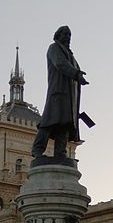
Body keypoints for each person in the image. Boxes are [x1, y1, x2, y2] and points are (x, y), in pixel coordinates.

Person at [32, 25, 89, 159]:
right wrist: (76, 74)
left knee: (65, 124)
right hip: (57, 92)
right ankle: (37, 150)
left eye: (69, 35)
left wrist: (79, 76)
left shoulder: (71, 55)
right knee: (49, 121)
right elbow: (60, 63)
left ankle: (60, 153)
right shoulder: (54, 48)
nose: (68, 38)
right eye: (65, 34)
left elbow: (72, 68)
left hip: (70, 97)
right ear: (58, 36)